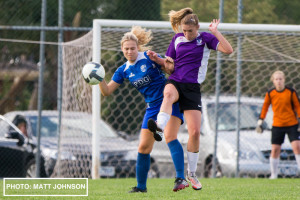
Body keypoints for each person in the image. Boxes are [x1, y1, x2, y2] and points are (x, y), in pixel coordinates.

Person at [147, 7, 233, 190]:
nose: (186, 34)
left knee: (194, 132)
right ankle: (159, 125)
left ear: (197, 27)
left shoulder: (206, 39)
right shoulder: (177, 39)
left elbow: (228, 50)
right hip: (176, 81)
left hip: (193, 88)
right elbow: (170, 68)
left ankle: (191, 174)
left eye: (190, 31)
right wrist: (159, 60)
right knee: (168, 94)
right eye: (184, 30)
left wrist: (216, 32)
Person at [98, 26, 187, 192]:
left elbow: (169, 69)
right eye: (127, 49)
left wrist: (163, 62)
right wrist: (99, 78)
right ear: (122, 50)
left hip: (170, 101)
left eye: (133, 48)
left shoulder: (148, 56)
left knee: (170, 136)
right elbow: (107, 91)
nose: (130, 51)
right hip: (152, 108)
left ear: (137, 47)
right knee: (143, 148)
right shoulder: (123, 70)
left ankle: (180, 178)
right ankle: (141, 187)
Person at [256, 70, 300, 179]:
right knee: (275, 149)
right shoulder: (270, 93)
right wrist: (260, 121)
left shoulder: (291, 92)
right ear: (273, 81)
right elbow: (265, 107)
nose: (279, 81)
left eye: (280, 79)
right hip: (277, 124)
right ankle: (274, 174)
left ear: (284, 80)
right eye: (276, 79)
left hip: (291, 123)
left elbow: (298, 106)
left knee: (297, 147)